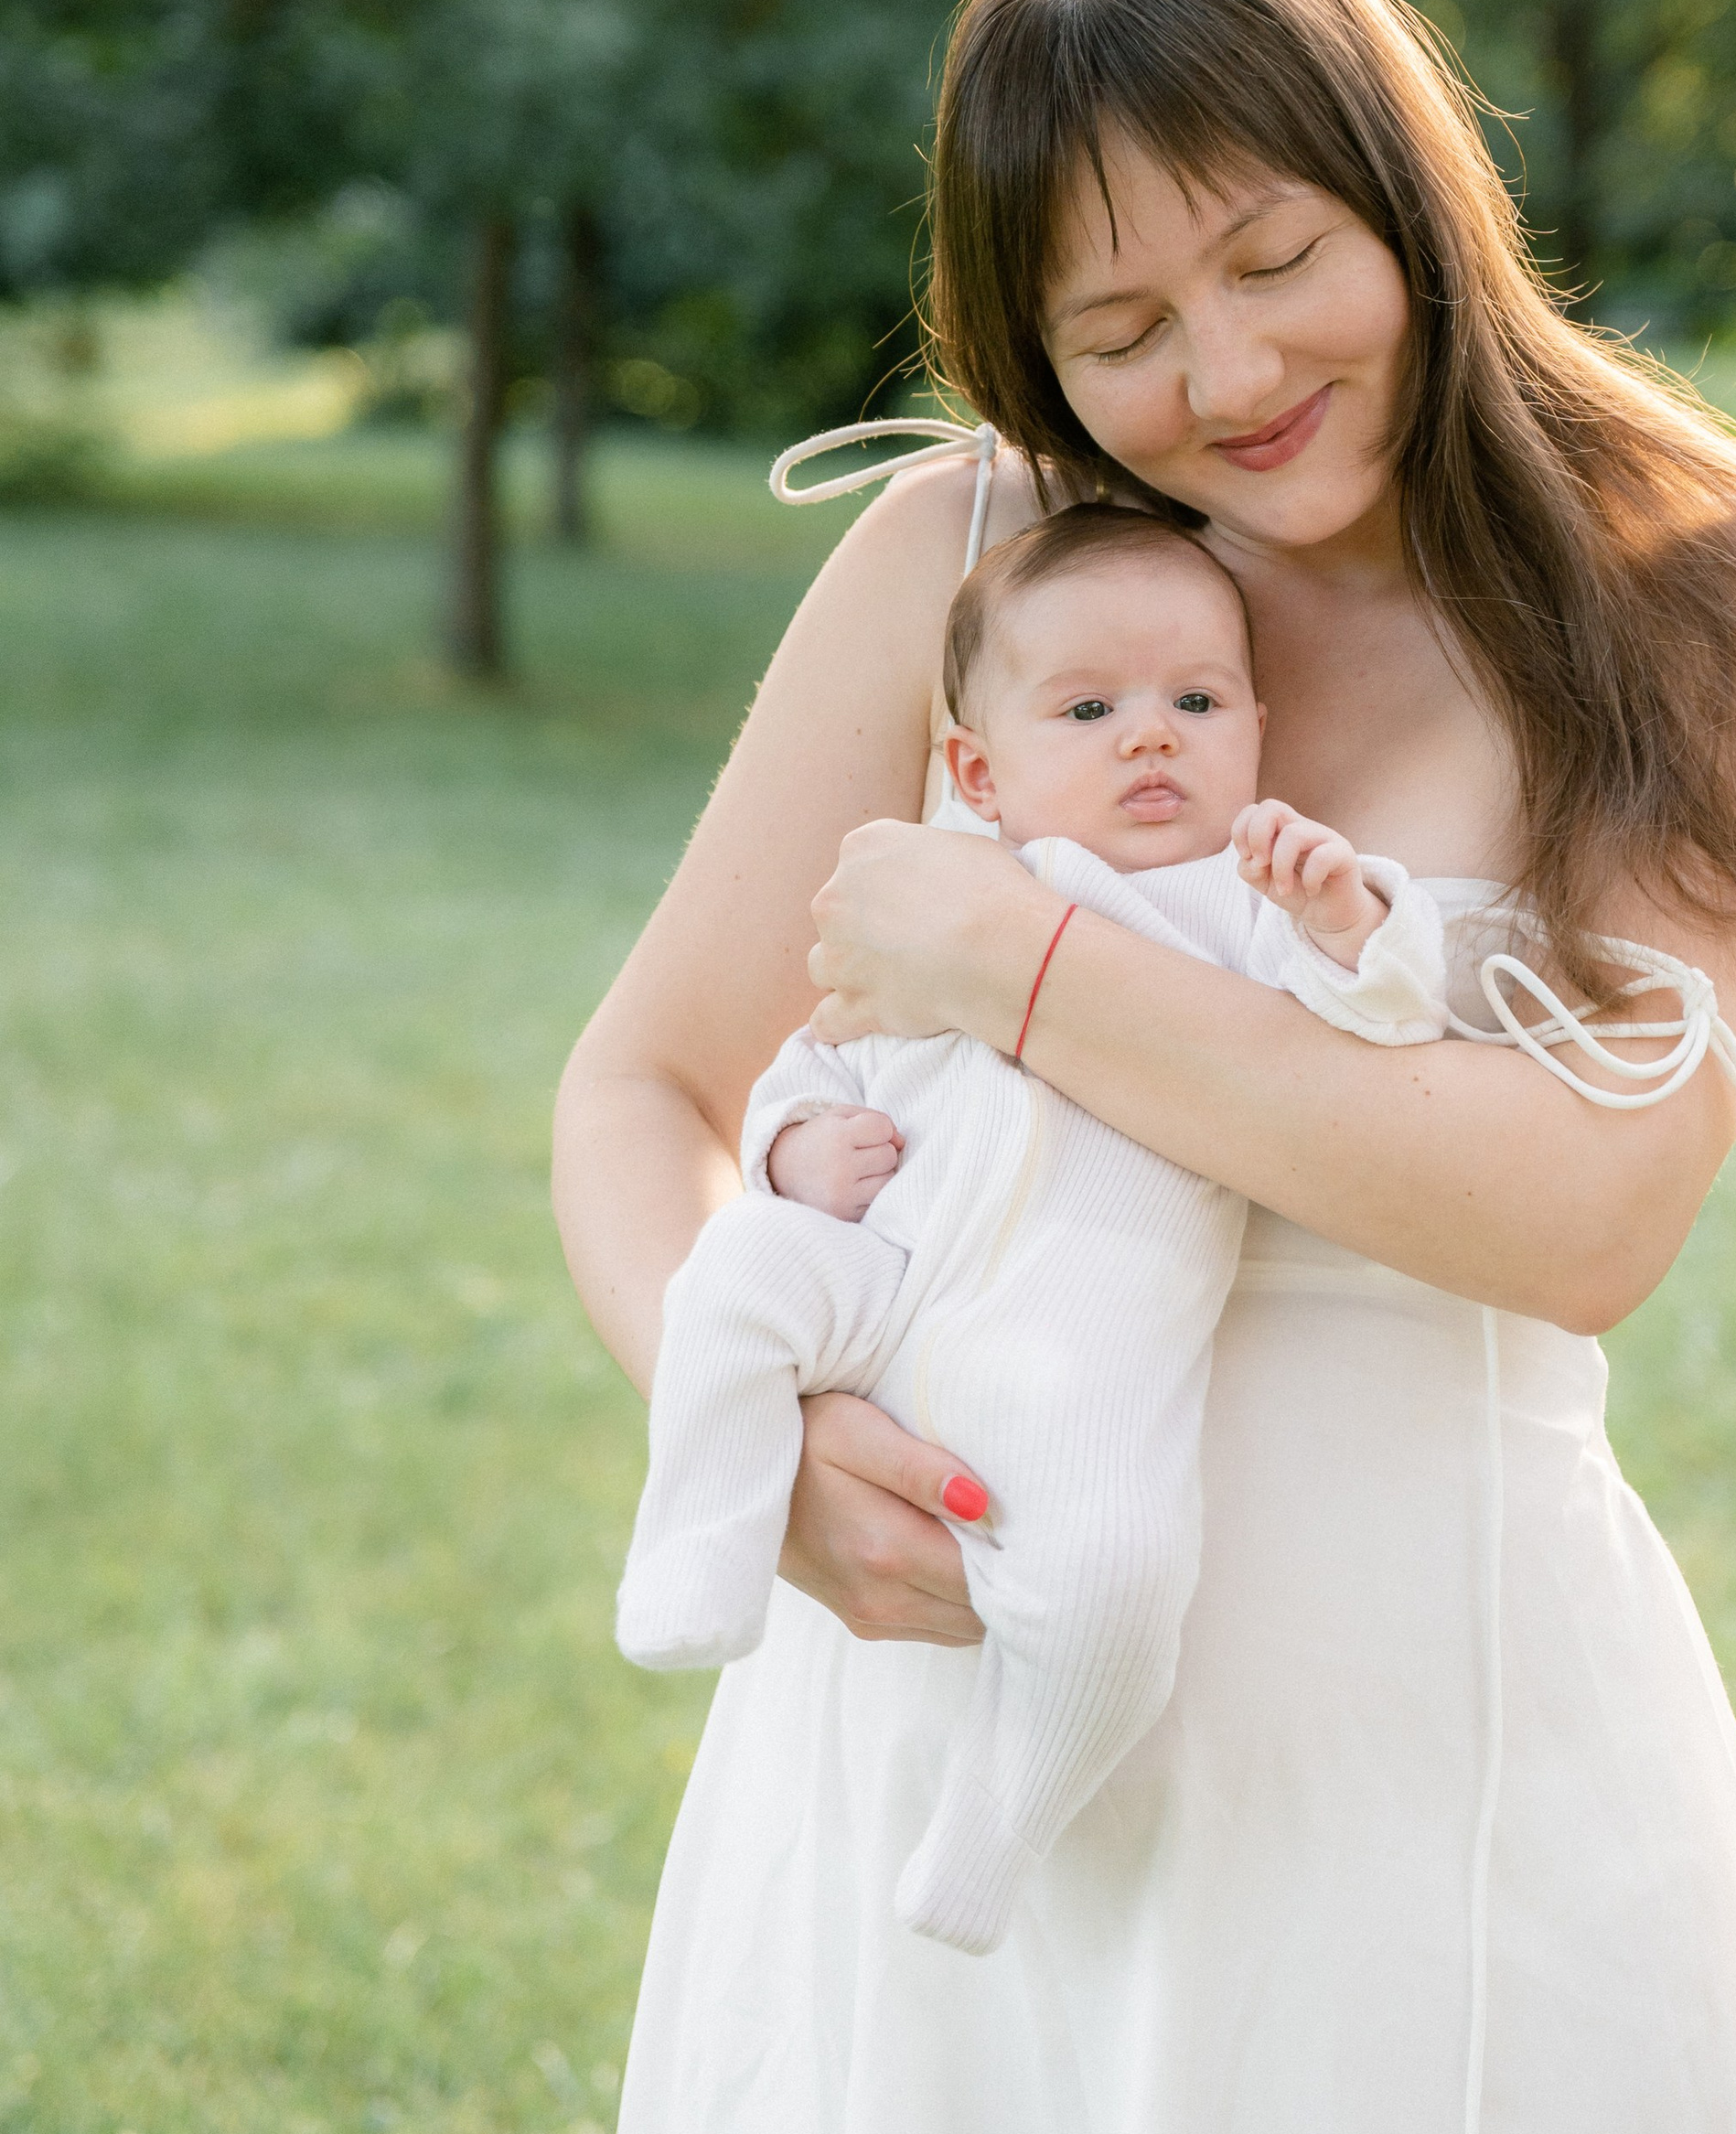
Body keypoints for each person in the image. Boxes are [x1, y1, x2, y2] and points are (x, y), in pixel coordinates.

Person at [555, 0, 1736, 2134]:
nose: (1228, 371)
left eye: (1277, 260)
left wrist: (1026, 969)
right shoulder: (965, 565)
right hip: (940, 1717)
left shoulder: (1706, 593)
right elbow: (639, 1098)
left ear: (1408, 193)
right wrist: (754, 1435)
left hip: (1423, 1746)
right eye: (1118, 330)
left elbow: (1579, 1213)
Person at [614, 499, 1448, 1957]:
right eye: (1091, 707)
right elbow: (813, 1059)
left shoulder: (1233, 908)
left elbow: (1377, 1027)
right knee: (736, 1274)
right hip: (885, 1286)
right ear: (978, 772)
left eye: (1196, 702)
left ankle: (1001, 1819)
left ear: (1257, 725)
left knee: (1121, 1585)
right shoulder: (941, 896)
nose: (1152, 736)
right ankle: (700, 1540)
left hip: (1077, 1355)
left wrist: (1349, 920)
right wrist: (797, 1150)